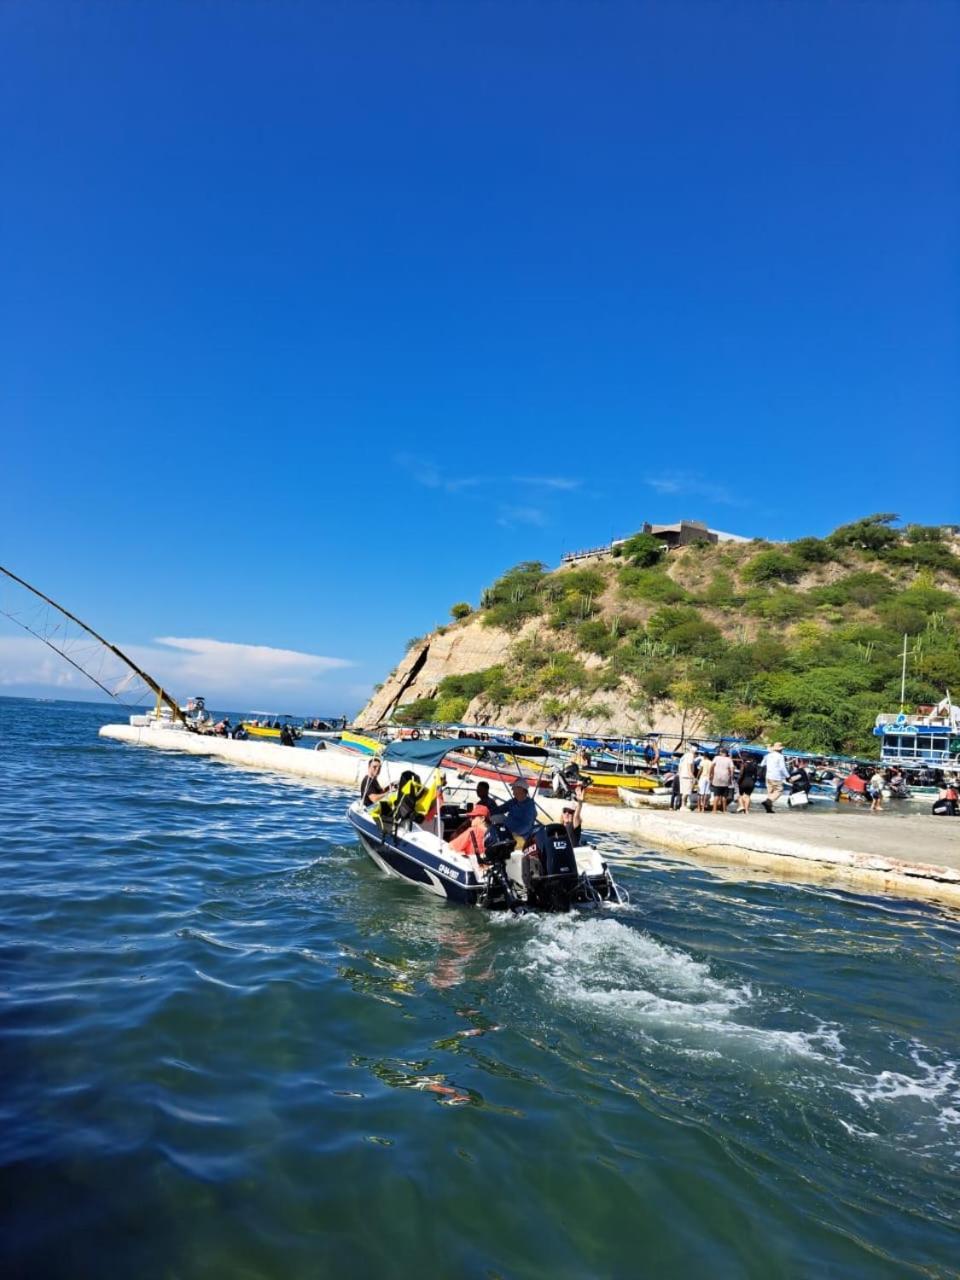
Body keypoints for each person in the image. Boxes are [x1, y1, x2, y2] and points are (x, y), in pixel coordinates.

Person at [761, 742, 789, 812]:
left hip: (768, 776)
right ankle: (768, 801)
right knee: (779, 790)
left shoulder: (768, 755)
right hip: (776, 776)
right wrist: (788, 776)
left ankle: (769, 809)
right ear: (780, 749)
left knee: (770, 792)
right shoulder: (780, 756)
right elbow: (782, 768)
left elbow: (762, 764)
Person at [709, 747, 734, 814]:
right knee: (724, 796)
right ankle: (724, 810)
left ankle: (714, 810)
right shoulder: (729, 759)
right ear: (726, 753)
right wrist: (731, 778)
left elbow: (712, 766)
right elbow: (732, 769)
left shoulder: (716, 758)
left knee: (716, 795)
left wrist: (710, 774)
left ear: (721, 753)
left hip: (717, 777)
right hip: (725, 778)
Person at [677, 745, 697, 811]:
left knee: (683, 791)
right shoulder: (690, 756)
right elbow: (689, 766)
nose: (695, 754)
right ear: (693, 751)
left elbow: (679, 766)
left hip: (682, 775)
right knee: (686, 792)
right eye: (695, 753)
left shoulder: (684, 756)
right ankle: (683, 806)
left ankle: (683, 806)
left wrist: (680, 774)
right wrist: (692, 776)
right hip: (687, 776)